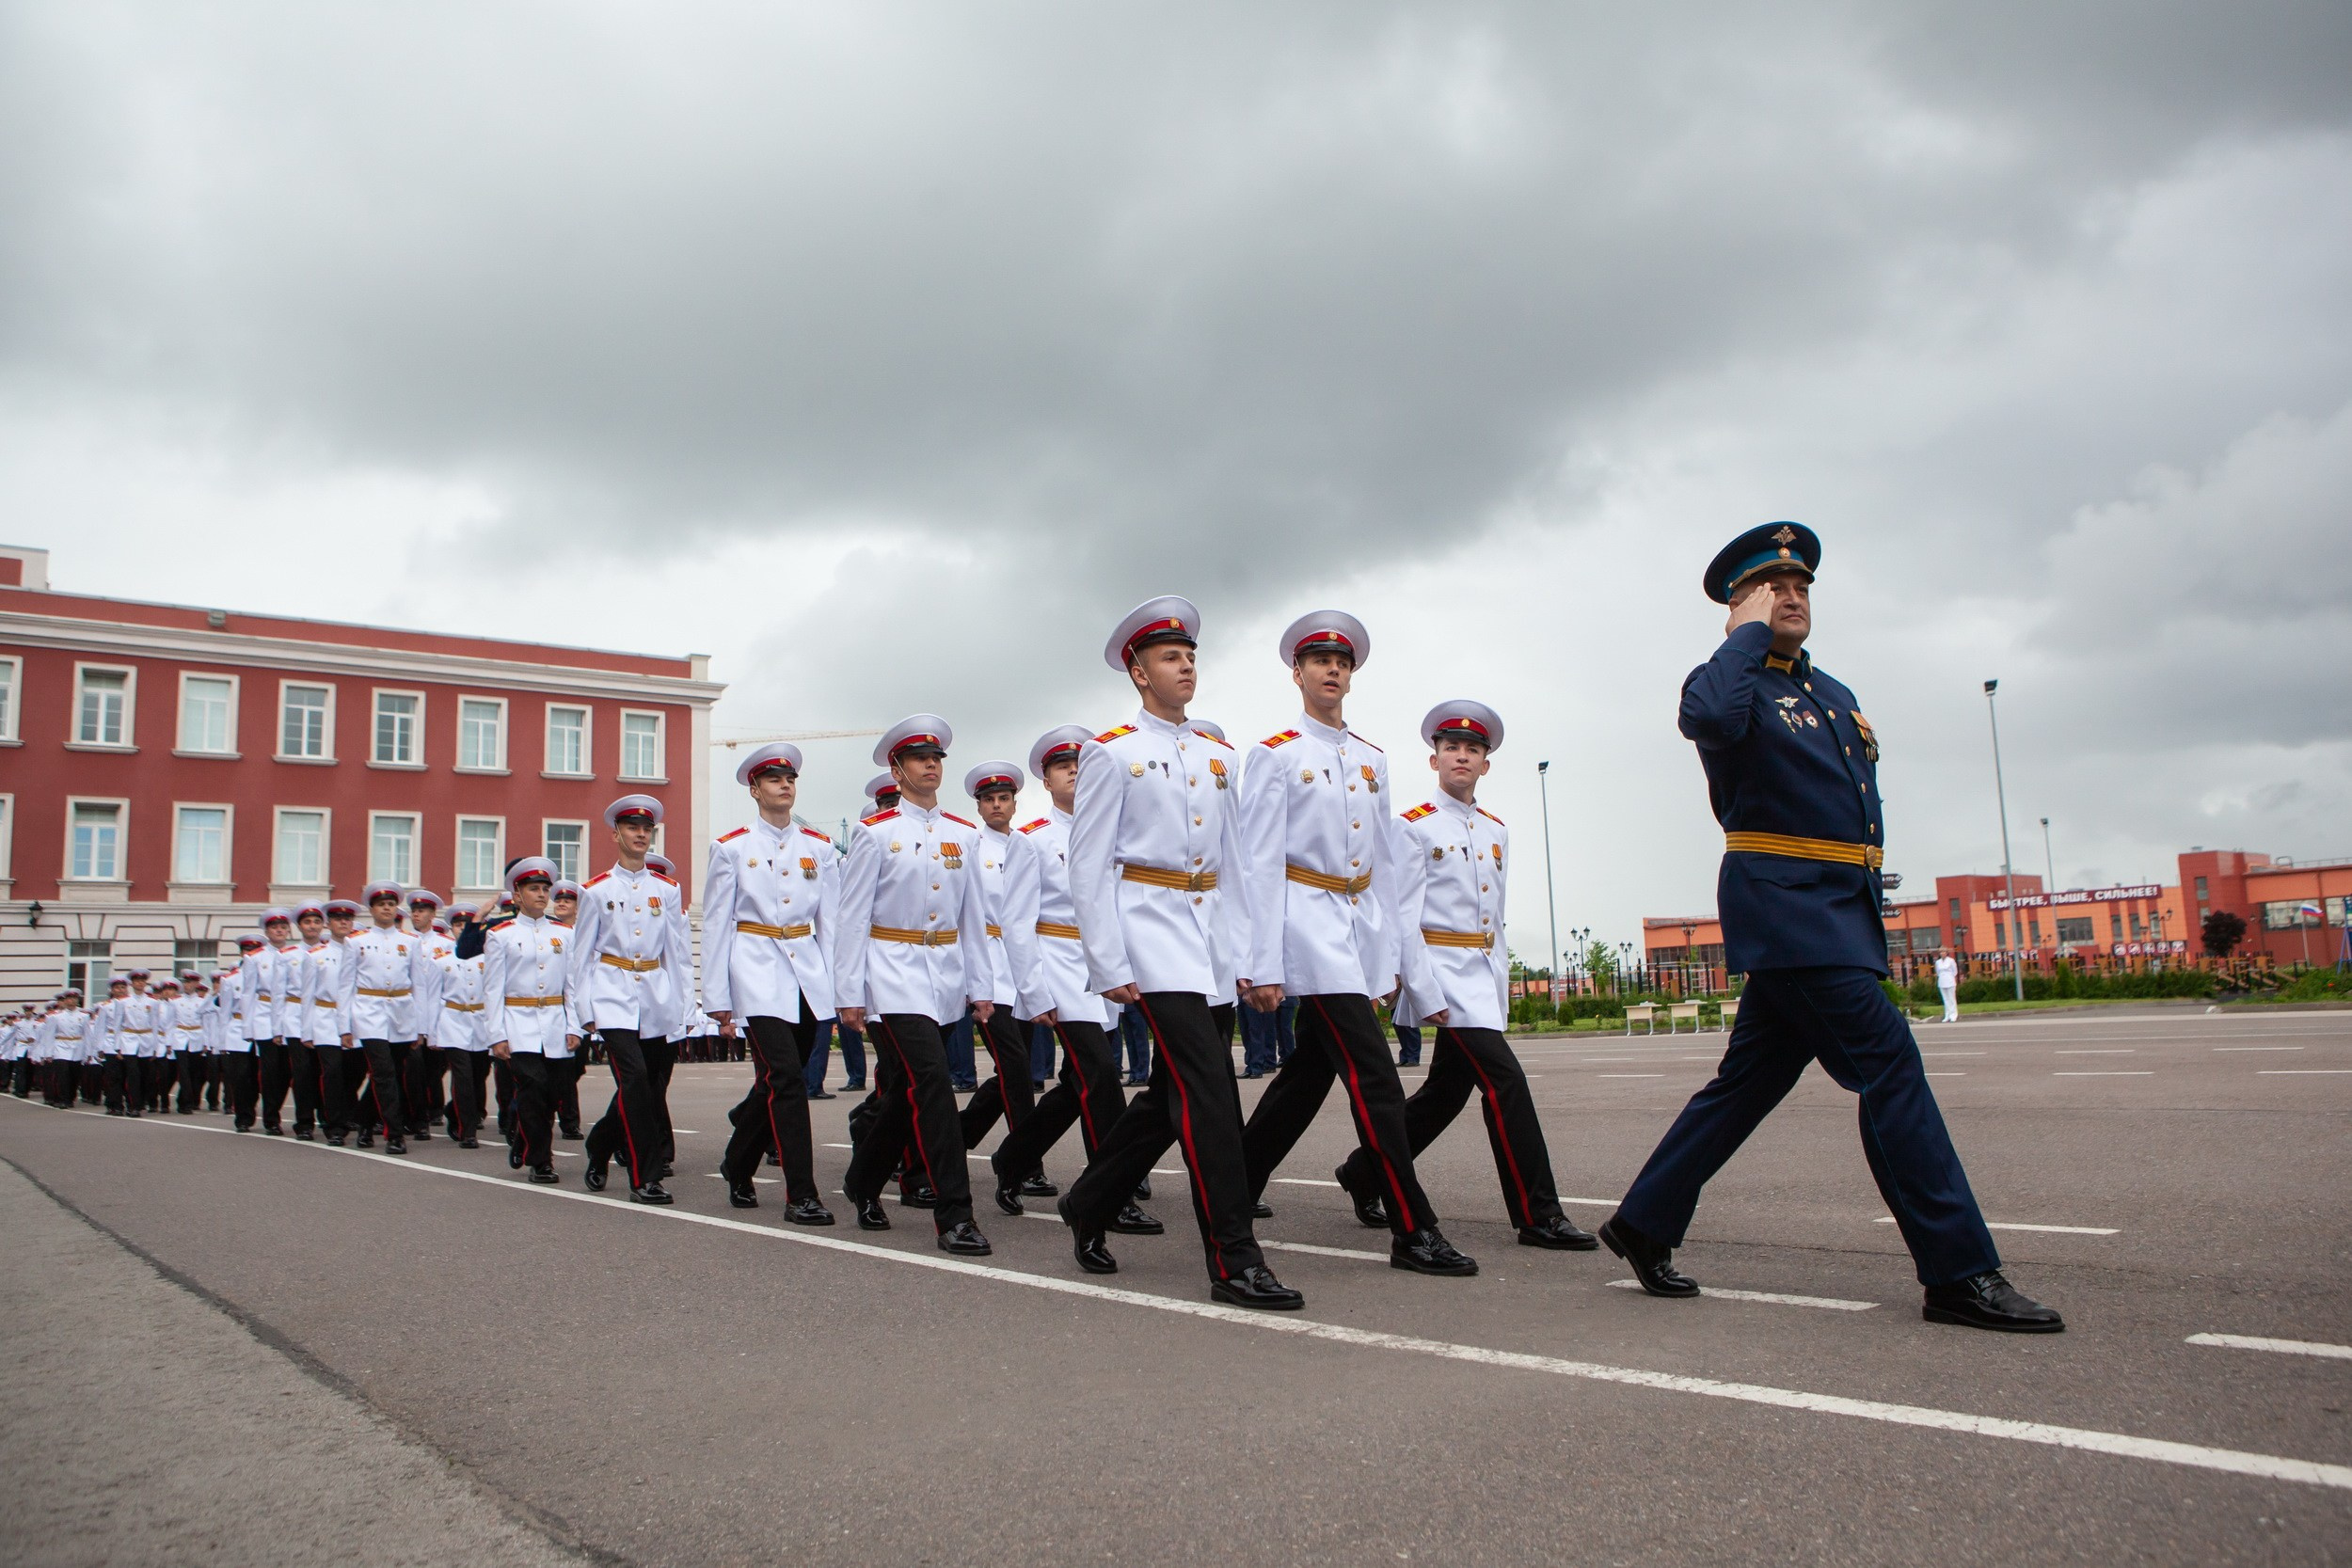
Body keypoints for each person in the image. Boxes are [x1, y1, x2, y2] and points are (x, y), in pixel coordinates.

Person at [1599, 521, 2062, 1333]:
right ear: (1738, 605)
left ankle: (1645, 1219)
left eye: (1802, 586)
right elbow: (1709, 717)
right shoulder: (1728, 680)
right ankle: (1958, 1270)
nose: (1791, 596)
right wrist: (1741, 639)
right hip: (1789, 911)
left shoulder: (1833, 693)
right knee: (1892, 1068)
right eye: (1772, 587)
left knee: (1747, 1084)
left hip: (1834, 912)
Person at [1057, 596, 1297, 1308]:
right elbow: (1087, 863)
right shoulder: (1112, 753)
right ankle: (1233, 1259)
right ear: (1138, 672)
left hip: (1213, 938)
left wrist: (1258, 958)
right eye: (1169, 656)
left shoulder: (1221, 754)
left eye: (1190, 654)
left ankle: (1089, 1199)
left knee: (1169, 1099)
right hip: (1151, 932)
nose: (1186, 664)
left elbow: (1242, 862)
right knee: (1210, 1091)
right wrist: (1108, 962)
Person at [1235, 610, 1476, 1277]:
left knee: (1306, 1077)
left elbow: (1386, 872)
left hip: (1354, 926)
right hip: (1305, 927)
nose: (1332, 670)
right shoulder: (1276, 753)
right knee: (1375, 1075)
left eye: (1342, 662)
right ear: (1298, 674)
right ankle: (1412, 1225)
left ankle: (1232, 1184)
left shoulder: (1371, 758)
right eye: (1319, 661)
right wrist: (1259, 961)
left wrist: (1389, 956)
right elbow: (1257, 863)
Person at [1339, 701, 1596, 1251]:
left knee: (1445, 1092)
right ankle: (1538, 1214)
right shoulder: (1411, 828)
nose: (1461, 756)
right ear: (1434, 760)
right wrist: (1420, 987)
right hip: (1444, 975)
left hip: (1481, 975)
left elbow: (1494, 921)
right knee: (1506, 1083)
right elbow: (1401, 916)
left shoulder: (1497, 830)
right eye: (1451, 748)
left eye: (1473, 749)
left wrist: (1499, 988)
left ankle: (1364, 1172)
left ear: (1485, 764)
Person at [834, 714, 996, 1256]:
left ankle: (862, 1180)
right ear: (897, 770)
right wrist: (849, 993)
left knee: (905, 1093)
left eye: (937, 758)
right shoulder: (874, 833)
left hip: (944, 973)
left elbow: (973, 917)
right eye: (920, 758)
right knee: (933, 1084)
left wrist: (981, 986)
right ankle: (955, 1215)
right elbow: (852, 917)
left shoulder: (963, 835)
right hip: (892, 970)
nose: (932, 764)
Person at [986, 725, 1157, 1229]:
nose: (1076, 776)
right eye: (1065, 768)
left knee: (1075, 1083)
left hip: (1102, 963)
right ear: (1047, 780)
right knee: (1102, 1077)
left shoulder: (1115, 830)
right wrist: (1032, 990)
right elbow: (1016, 923)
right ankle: (1112, 1192)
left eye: (1083, 766)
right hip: (1057, 960)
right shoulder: (1033, 840)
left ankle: (1012, 1159)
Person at [707, 742, 840, 1226]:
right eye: (773, 780)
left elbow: (831, 923)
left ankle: (737, 1163)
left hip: (806, 973)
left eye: (789, 780)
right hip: (756, 969)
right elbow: (719, 924)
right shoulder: (732, 847)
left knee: (776, 1081)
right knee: (786, 1079)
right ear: (755, 789)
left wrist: (838, 990)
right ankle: (801, 1194)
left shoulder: (820, 848)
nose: (784, 786)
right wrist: (718, 998)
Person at [573, 796, 693, 1204]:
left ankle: (600, 1146)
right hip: (612, 992)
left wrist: (685, 1006)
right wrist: (584, 1010)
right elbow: (581, 958)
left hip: (655, 995)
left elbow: (677, 953)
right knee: (636, 1079)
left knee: (650, 1086)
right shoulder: (595, 891)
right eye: (632, 828)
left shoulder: (667, 889)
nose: (641, 834)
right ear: (616, 834)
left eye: (647, 829)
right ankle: (646, 1177)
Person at [956, 758, 1039, 1158]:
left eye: (1004, 798)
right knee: (1016, 1065)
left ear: (1015, 803)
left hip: (1022, 963)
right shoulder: (971, 847)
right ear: (979, 806)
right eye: (989, 799)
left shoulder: (1028, 845)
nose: (997, 806)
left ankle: (953, 1138)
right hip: (987, 960)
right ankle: (1027, 1157)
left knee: (1013, 1068)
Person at [485, 858, 573, 1183]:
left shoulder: (564, 934)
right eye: (533, 889)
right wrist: (496, 1034)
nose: (541, 894)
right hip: (518, 1023)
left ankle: (524, 1140)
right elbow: (492, 989)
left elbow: (571, 985)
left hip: (554, 1021)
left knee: (553, 1094)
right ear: (517, 895)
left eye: (545, 889)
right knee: (533, 1088)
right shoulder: (501, 935)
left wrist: (574, 1025)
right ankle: (541, 1160)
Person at [420, 902, 491, 1147]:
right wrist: (431, 1033)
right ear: (451, 929)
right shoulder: (441, 960)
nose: (462, 929)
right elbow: (432, 998)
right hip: (453, 1021)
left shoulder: (487, 955)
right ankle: (467, 1131)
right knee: (462, 1077)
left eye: (467, 924)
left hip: (481, 1022)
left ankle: (454, 1111)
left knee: (480, 1074)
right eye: (458, 925)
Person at [1934, 951, 1961, 1023]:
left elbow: (1955, 971)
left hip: (1950, 981)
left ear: (1946, 953)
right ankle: (1947, 1015)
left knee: (1951, 999)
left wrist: (1950, 976)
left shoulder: (1951, 960)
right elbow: (1938, 972)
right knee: (1945, 999)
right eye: (1941, 952)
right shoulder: (1938, 962)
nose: (1942, 953)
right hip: (1942, 981)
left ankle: (1953, 1015)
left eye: (1944, 952)